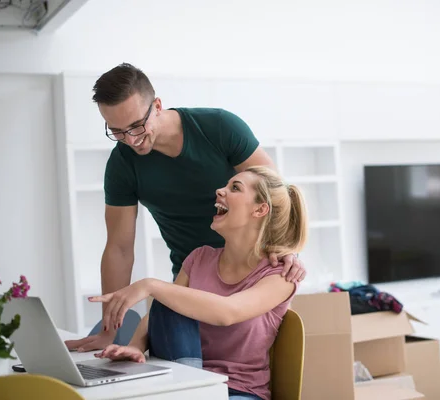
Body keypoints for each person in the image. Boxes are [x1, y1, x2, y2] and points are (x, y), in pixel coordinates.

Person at [65, 63, 306, 352]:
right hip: (191, 275)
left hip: (250, 273)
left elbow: (275, 195)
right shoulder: (122, 164)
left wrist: (287, 249)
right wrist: (110, 330)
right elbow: (119, 247)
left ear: (157, 106)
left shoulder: (219, 128)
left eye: (136, 126)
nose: (130, 139)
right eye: (117, 131)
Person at [89, 166, 307, 400]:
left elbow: (228, 312)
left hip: (238, 391)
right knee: (170, 299)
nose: (220, 191)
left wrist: (150, 285)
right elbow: (162, 314)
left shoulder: (280, 275)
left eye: (235, 188)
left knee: (168, 293)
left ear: (260, 209)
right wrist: (134, 346)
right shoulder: (199, 258)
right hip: (187, 382)